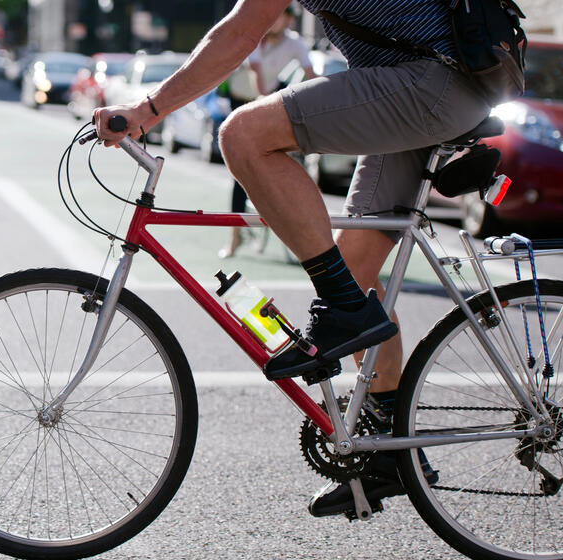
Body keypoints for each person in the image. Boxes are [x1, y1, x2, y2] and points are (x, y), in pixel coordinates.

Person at [95, 0, 502, 518]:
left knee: (243, 135)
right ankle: (391, 451)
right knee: (355, 271)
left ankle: (344, 312)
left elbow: (240, 32)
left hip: (431, 80)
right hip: (429, 79)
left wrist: (148, 110)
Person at [219, 2, 316, 259]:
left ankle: (302, 234)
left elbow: (310, 73)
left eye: (280, 16)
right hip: (244, 100)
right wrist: (263, 100)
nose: (273, 20)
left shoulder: (294, 43)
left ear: (289, 20)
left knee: (287, 164)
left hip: (269, 102)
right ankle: (234, 236)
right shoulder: (256, 36)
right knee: (239, 172)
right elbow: (256, 72)